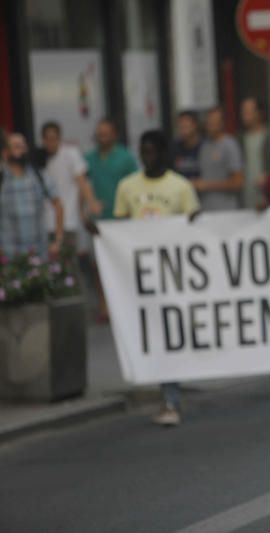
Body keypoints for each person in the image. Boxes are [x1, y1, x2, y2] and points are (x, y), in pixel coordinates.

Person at [112, 130, 199, 426]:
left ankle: (171, 397)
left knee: (168, 333)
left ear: (164, 153)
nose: (148, 158)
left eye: (153, 152)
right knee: (154, 334)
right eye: (143, 152)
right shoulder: (127, 187)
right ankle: (168, 395)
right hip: (139, 275)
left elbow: (195, 229)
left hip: (173, 274)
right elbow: (121, 228)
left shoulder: (181, 187)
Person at [85, 118, 139, 321]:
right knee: (97, 265)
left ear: (115, 134)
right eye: (99, 133)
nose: (102, 137)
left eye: (106, 133)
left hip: (120, 220)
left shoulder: (125, 158)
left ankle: (126, 303)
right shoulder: (89, 158)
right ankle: (103, 305)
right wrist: (86, 209)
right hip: (98, 221)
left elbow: (135, 185)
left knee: (122, 264)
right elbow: (83, 184)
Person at [39, 122, 102, 251]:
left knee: (68, 261)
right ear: (43, 140)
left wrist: (91, 202)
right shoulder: (40, 158)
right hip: (46, 222)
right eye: (47, 139)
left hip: (68, 220)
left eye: (54, 139)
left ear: (59, 138)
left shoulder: (70, 154)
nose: (51, 143)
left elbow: (82, 182)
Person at [0, 133, 64, 259]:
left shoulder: (40, 176)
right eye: (16, 146)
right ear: (6, 151)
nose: (20, 150)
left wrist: (58, 240)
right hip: (8, 255)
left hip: (39, 253)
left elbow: (58, 205)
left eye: (23, 146)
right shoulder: (1, 179)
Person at [195, 107, 243, 210]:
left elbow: (237, 182)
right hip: (206, 209)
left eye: (214, 122)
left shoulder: (230, 145)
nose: (210, 125)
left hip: (226, 210)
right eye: (208, 122)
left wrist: (207, 185)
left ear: (222, 123)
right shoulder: (204, 146)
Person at [239, 97, 270, 208]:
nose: (244, 115)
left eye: (248, 111)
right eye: (243, 111)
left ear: (260, 113)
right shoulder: (240, 139)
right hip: (245, 196)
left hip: (266, 195)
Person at [171, 110, 204, 180]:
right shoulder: (174, 147)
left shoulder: (206, 146)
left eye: (186, 126)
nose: (183, 130)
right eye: (181, 127)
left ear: (195, 125)